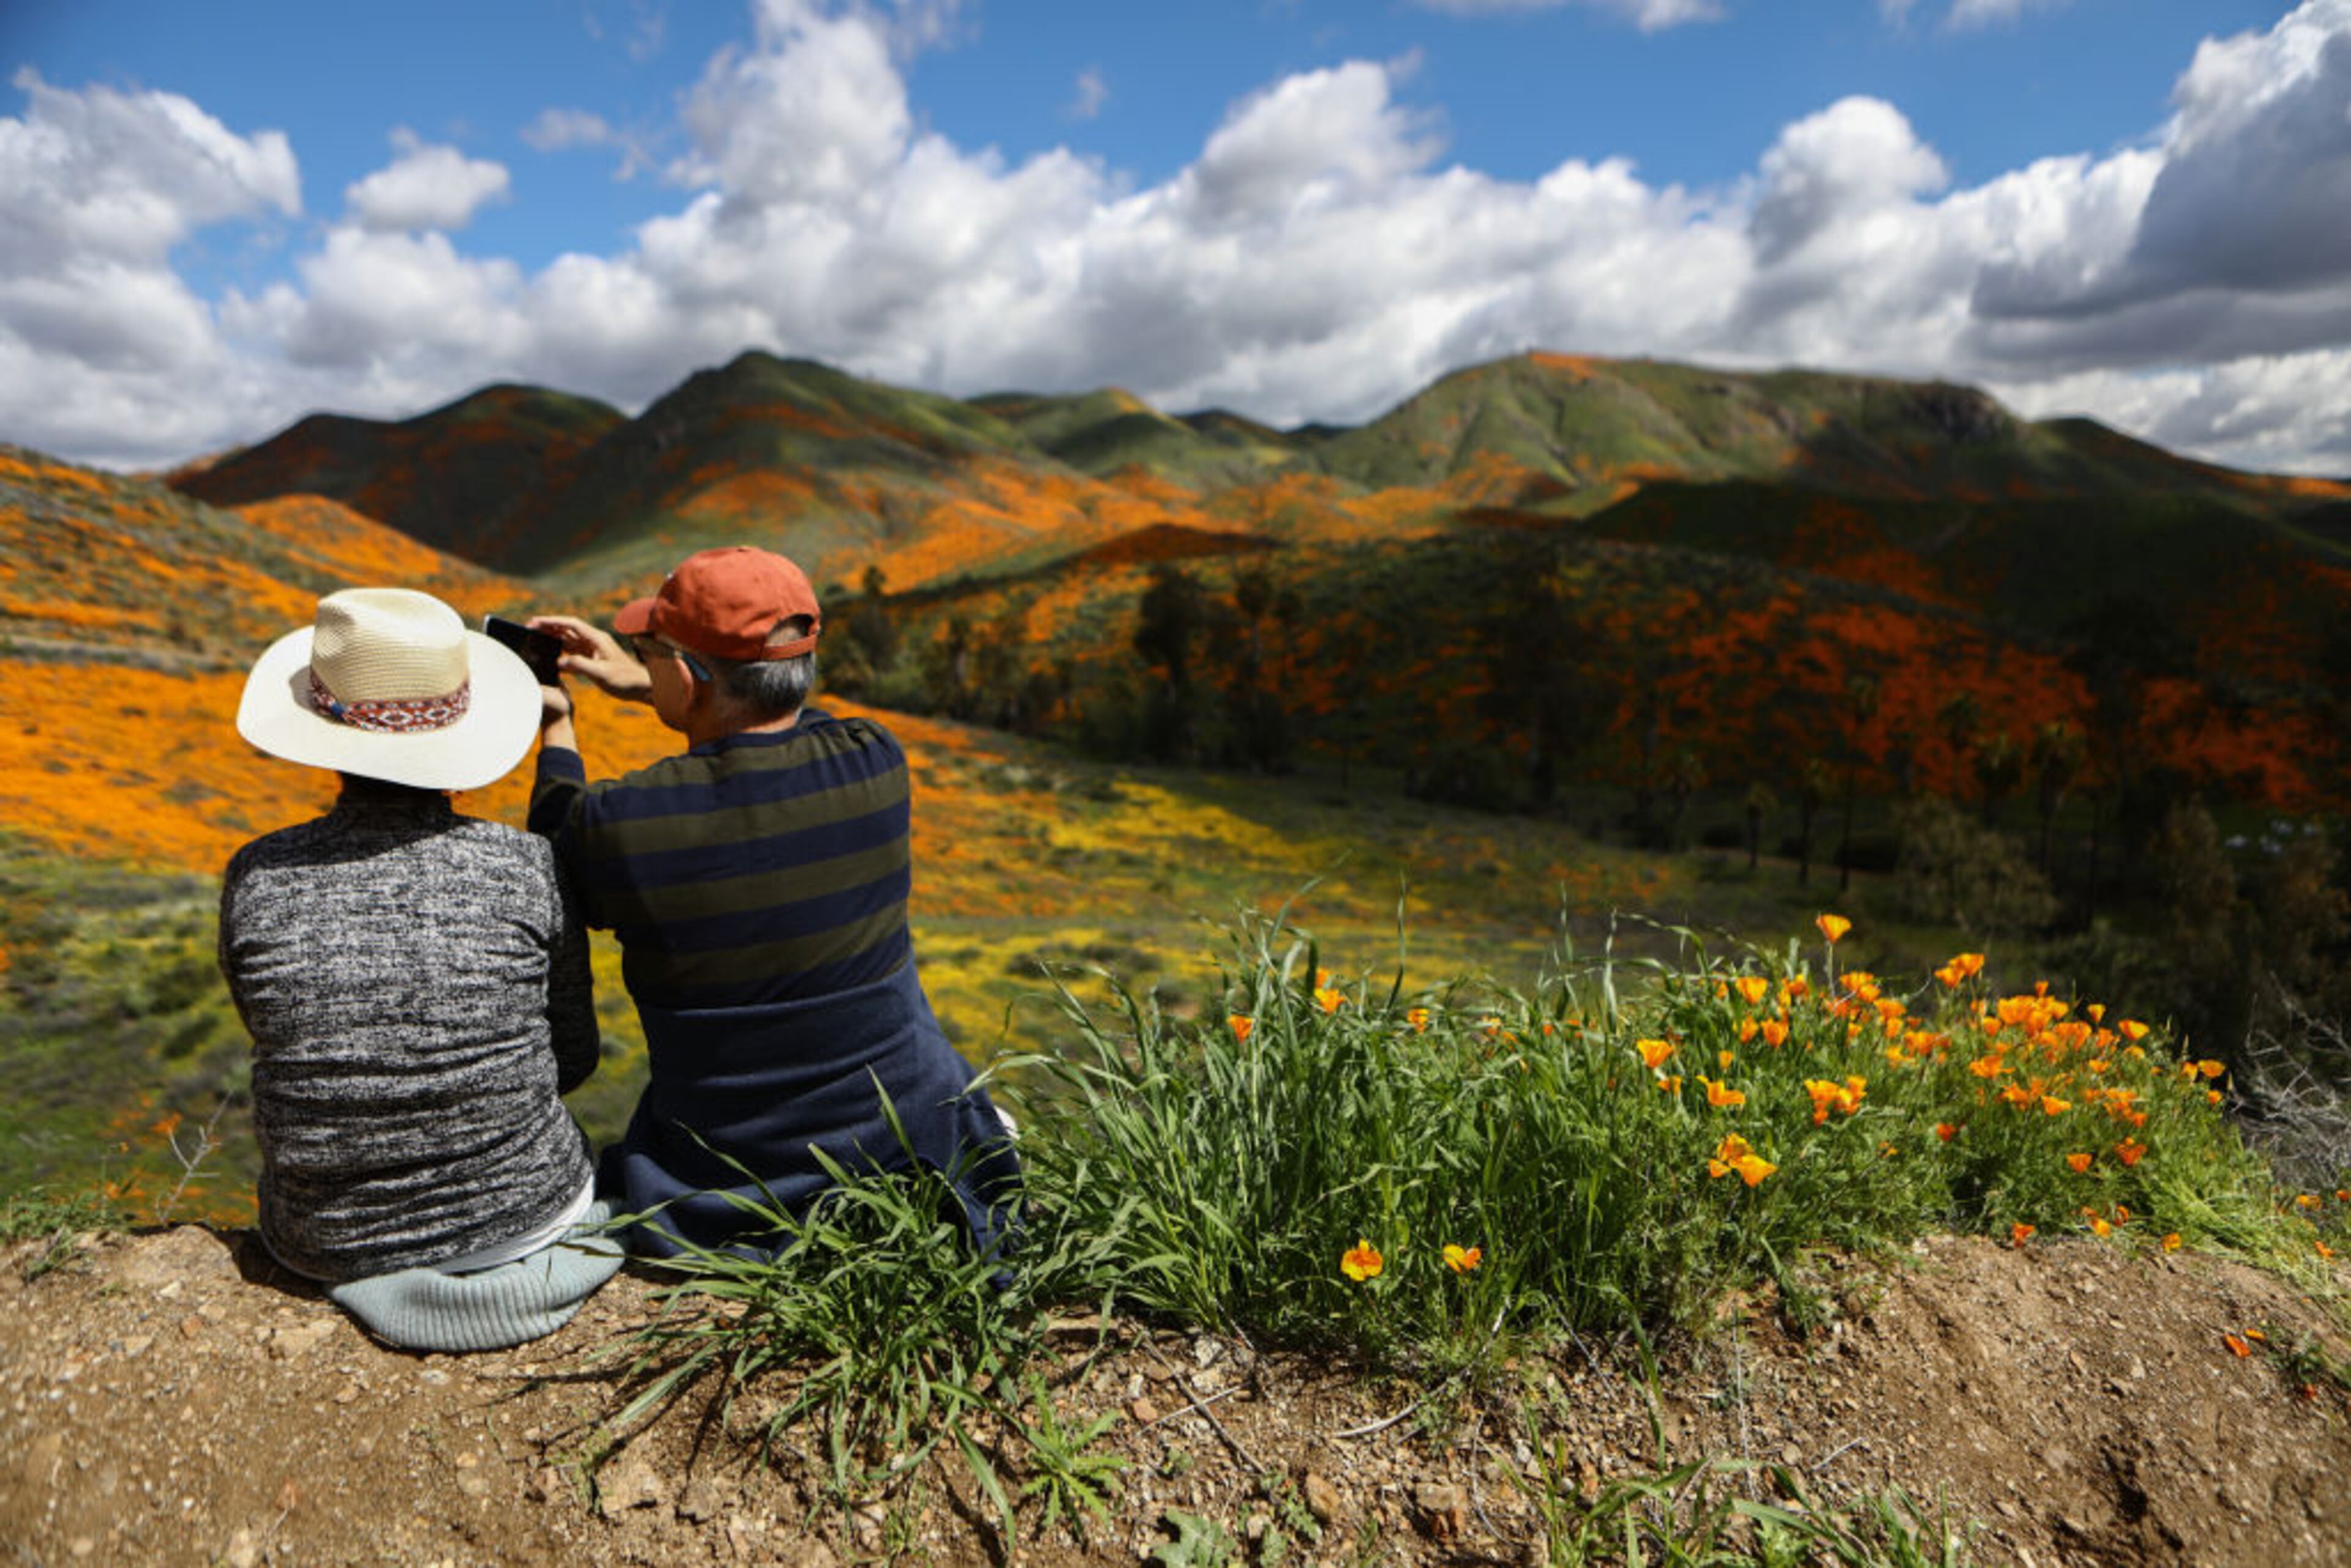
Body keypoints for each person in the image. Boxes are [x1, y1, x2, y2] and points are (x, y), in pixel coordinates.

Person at [528, 545, 1018, 1259]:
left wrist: (557, 722)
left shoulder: (626, 821)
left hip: (728, 1178)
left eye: (650, 648)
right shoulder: (872, 757)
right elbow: (775, 715)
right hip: (911, 1146)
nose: (641, 658)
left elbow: (551, 850)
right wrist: (651, 681)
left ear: (692, 676)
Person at [220, 587, 620, 1351]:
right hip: (524, 1215)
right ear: (460, 731)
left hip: (324, 1236)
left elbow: (275, 1031)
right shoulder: (526, 865)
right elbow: (575, 1059)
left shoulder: (257, 873)